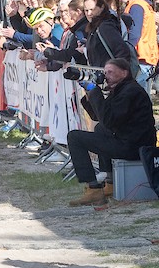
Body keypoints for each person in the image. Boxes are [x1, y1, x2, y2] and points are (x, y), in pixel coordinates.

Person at [67, 58, 156, 206]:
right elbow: (98, 117)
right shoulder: (122, 89)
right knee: (100, 129)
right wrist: (89, 94)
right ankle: (110, 182)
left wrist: (95, 92)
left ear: (124, 72)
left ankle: (94, 189)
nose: (106, 75)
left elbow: (109, 120)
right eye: (105, 72)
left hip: (134, 147)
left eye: (110, 72)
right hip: (133, 142)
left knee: (75, 137)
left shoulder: (130, 92)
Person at [118, 0, 158, 94]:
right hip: (144, 57)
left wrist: (125, 53)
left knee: (137, 98)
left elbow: (135, 34)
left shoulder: (136, 6)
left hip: (139, 58)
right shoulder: (143, 4)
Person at [83, 0, 130, 67]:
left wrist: (116, 71)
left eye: (92, 9)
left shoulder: (105, 26)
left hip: (110, 74)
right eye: (86, 10)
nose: (89, 13)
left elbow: (122, 50)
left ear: (102, 7)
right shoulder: (94, 27)